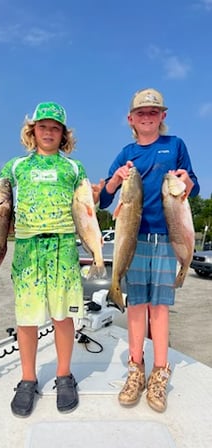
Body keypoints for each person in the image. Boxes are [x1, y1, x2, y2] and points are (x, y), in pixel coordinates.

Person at [94, 88, 200, 412]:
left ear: (162, 116)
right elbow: (104, 199)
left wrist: (188, 181)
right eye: (141, 112)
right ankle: (135, 369)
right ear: (131, 119)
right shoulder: (127, 153)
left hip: (168, 239)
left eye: (153, 112)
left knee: (161, 309)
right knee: (137, 307)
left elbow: (192, 184)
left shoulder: (176, 145)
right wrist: (114, 180)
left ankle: (159, 373)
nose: (147, 117)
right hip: (134, 240)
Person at [0, 102, 88, 417]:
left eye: (55, 128)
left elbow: (85, 210)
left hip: (64, 249)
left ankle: (64, 375)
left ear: (63, 134)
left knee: (62, 317)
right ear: (33, 130)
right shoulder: (16, 166)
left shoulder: (74, 168)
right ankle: (28, 379)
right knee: (27, 319)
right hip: (27, 250)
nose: (48, 132)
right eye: (43, 126)